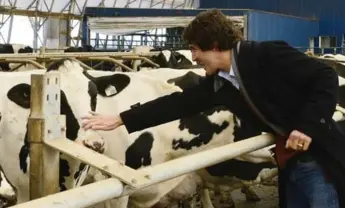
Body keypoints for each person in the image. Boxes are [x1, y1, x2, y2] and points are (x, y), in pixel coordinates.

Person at [81, 9, 345, 208]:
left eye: (195, 49)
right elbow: (176, 103)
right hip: (290, 163)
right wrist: (121, 119)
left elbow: (325, 76)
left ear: (215, 46)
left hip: (317, 158)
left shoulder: (266, 55)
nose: (193, 57)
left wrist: (306, 127)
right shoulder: (224, 83)